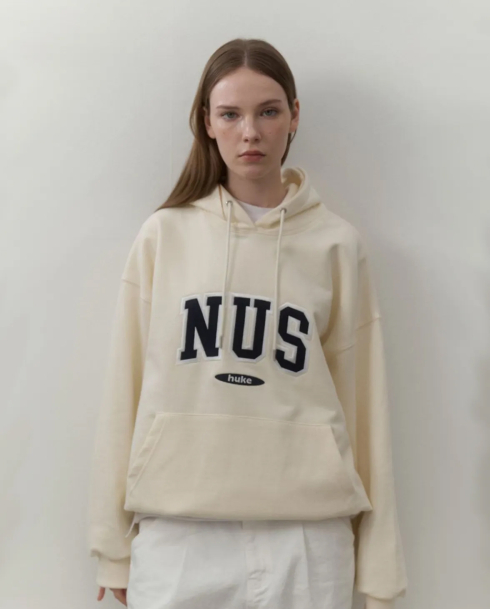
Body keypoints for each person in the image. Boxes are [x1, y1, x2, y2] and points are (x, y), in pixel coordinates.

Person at [87, 37, 408, 609]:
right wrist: (112, 546)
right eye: (231, 114)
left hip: (307, 539)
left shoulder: (336, 245)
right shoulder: (165, 235)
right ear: (207, 122)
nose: (251, 132)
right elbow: (124, 388)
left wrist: (381, 569)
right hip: (180, 534)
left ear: (294, 116)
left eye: (268, 111)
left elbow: (365, 404)